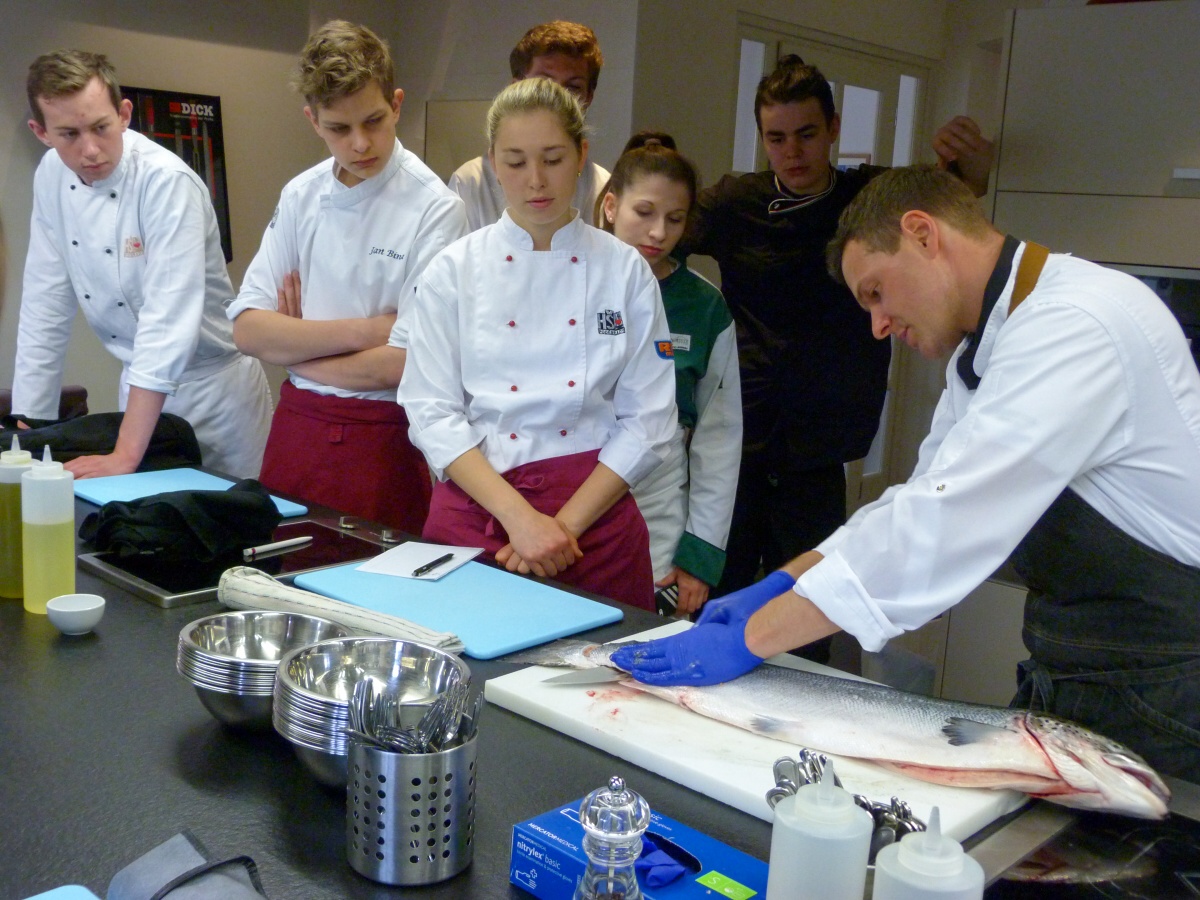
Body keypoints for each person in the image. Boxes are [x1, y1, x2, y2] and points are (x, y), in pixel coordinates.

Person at [614, 165, 1200, 779]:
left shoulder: (1075, 325)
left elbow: (941, 527)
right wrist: (779, 584)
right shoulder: (989, 347)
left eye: (876, 293)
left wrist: (750, 637)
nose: (879, 325)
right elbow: (913, 502)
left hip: (1162, 689)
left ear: (922, 234)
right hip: (1078, 668)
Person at [680, 55, 994, 660]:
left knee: (806, 624)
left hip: (821, 448)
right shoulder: (735, 202)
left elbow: (954, 193)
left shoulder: (867, 199)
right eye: (776, 138)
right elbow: (657, 234)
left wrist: (974, 166)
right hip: (735, 443)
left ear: (833, 129)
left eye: (806, 134)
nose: (792, 152)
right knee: (714, 610)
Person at [399, 78, 677, 609]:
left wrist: (560, 529)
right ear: (492, 163)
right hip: (479, 510)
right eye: (515, 161)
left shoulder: (625, 271)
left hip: (596, 519)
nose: (535, 181)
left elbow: (650, 420)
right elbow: (430, 411)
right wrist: (520, 520)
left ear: (582, 156)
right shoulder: (453, 271)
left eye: (552, 159)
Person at [227, 21, 467, 533]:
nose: (361, 143)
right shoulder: (301, 195)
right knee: (283, 568)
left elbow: (401, 365)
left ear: (397, 104)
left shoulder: (436, 208)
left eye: (374, 121)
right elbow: (248, 330)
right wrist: (369, 330)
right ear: (313, 121)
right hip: (295, 427)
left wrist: (295, 347)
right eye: (339, 128)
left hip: (383, 437)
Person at [12, 50, 272, 478]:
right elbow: (45, 300)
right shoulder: (50, 177)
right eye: (69, 134)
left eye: (100, 127)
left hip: (216, 395)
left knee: (232, 512)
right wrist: (29, 423)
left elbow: (165, 322)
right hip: (139, 388)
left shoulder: (166, 182)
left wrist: (126, 454)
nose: (90, 150)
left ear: (124, 114)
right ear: (41, 133)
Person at [597, 132, 741, 616]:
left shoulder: (704, 307)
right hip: (562, 501)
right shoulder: (567, 280)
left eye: (675, 219)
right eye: (645, 212)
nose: (658, 232)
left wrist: (700, 556)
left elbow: (719, 440)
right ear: (611, 206)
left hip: (658, 513)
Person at [448, 20, 610, 232]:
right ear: (515, 87)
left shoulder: (603, 187)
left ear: (589, 97)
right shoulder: (470, 182)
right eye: (516, 163)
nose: (557, 97)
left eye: (572, 88)